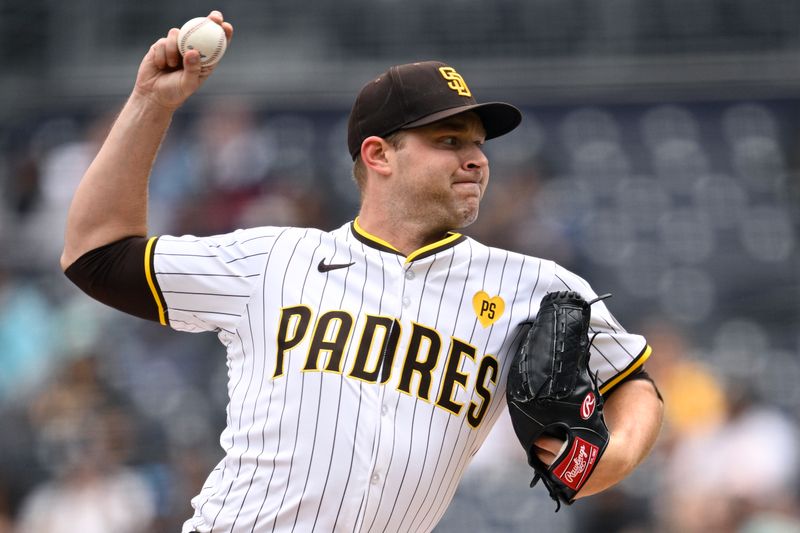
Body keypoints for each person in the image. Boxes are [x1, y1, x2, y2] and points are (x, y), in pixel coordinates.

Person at [60, 10, 663, 533]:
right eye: (449, 140)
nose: (476, 159)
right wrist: (150, 104)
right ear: (378, 155)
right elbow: (95, 254)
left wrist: (609, 460)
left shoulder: (536, 288)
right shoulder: (271, 259)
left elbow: (635, 383)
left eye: (479, 144)